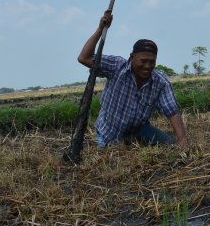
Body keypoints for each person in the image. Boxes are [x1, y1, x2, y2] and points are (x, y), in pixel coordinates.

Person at [78, 10, 187, 148]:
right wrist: (101, 29)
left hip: (139, 129)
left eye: (152, 62)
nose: (147, 66)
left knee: (170, 146)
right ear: (132, 58)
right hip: (110, 131)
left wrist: (182, 139)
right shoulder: (117, 66)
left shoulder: (160, 82)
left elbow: (171, 110)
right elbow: (84, 58)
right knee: (111, 157)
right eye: (143, 61)